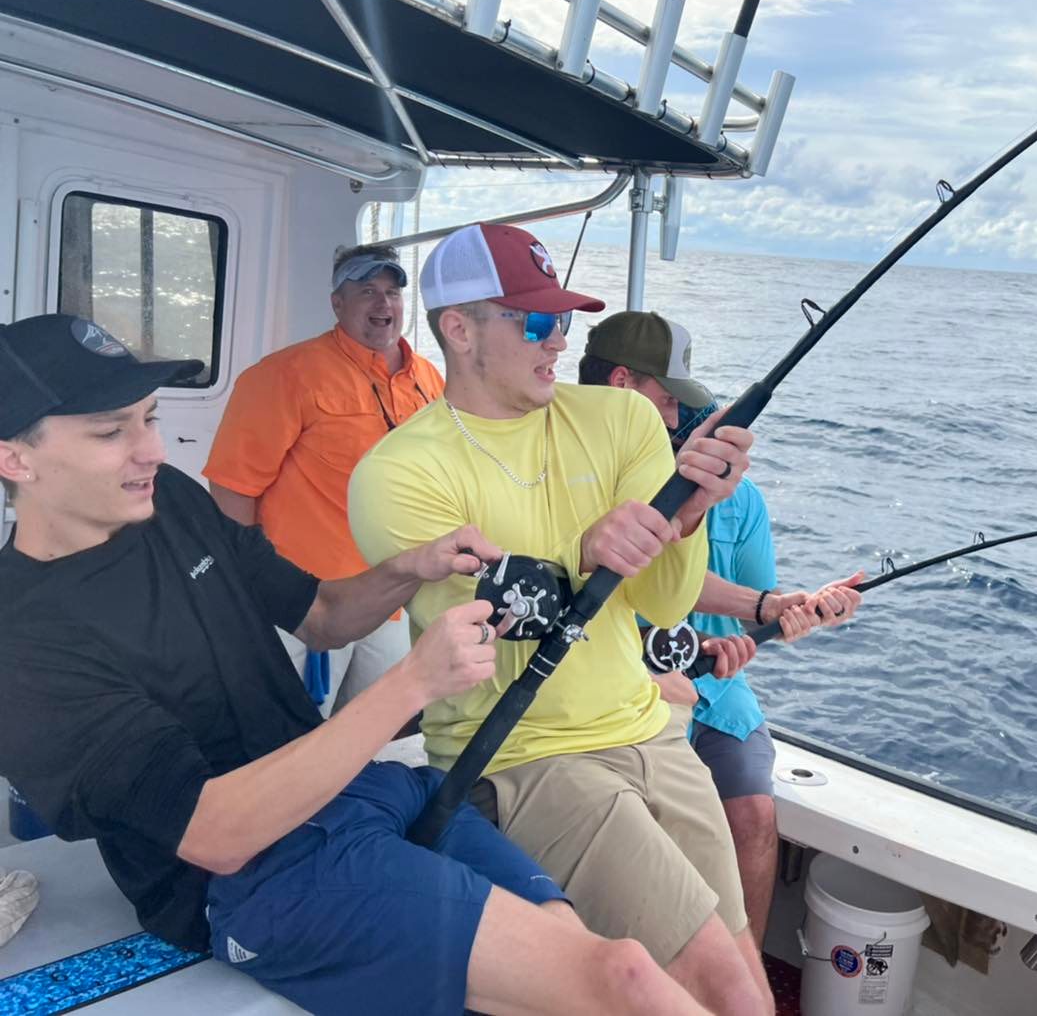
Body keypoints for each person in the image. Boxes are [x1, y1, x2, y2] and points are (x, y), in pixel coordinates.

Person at [0, 314, 705, 1016]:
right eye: (110, 432)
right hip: (256, 875)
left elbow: (324, 616)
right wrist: (413, 683)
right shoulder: (22, 644)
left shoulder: (171, 503)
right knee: (622, 978)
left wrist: (410, 569)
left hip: (363, 792)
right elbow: (215, 835)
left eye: (149, 419)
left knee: (585, 954)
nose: (151, 449)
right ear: (15, 459)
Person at [349, 223, 772, 1015]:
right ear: (459, 328)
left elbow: (662, 600)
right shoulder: (400, 471)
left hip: (650, 731)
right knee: (723, 989)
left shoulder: (624, 420)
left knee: (744, 959)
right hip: (524, 754)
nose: (556, 343)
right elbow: (487, 622)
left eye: (564, 324)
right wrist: (586, 550)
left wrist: (692, 512)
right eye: (536, 323)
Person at [579, 311, 862, 946]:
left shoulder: (744, 501)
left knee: (755, 815)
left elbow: (757, 606)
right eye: (669, 405)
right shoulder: (594, 484)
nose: (680, 423)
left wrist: (794, 612)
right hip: (629, 692)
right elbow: (643, 583)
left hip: (715, 692)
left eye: (687, 412)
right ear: (622, 387)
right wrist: (763, 608)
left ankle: (746, 973)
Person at [204, 243, 444, 714]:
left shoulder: (429, 379)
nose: (384, 304)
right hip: (308, 602)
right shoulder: (285, 375)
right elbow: (232, 487)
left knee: (377, 732)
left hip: (396, 597)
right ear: (337, 302)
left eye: (393, 292)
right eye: (367, 291)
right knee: (293, 737)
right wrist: (249, 589)